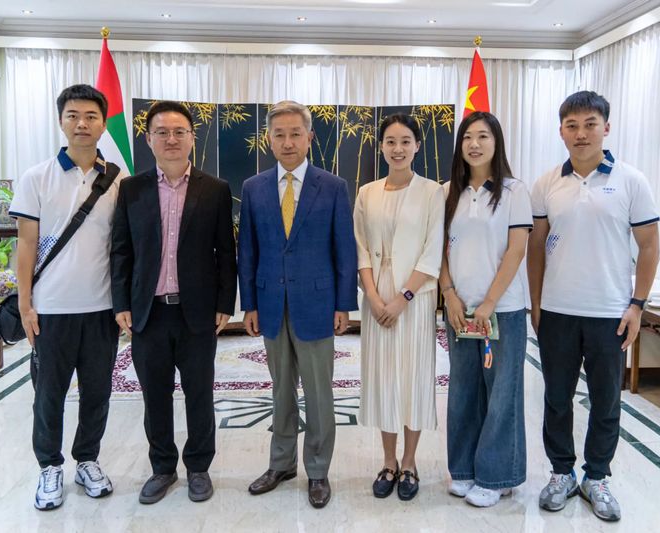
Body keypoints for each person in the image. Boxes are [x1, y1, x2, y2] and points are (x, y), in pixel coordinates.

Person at [527, 91, 660, 522]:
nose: (581, 133)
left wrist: (637, 305)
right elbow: (535, 248)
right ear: (561, 131)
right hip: (557, 311)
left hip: (610, 313)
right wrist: (535, 303)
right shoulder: (547, 183)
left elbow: (649, 246)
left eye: (589, 124)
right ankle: (561, 473)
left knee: (606, 401)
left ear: (606, 127)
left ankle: (597, 476)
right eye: (572, 125)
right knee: (557, 398)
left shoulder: (632, 181)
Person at [110, 100, 237, 504]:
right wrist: (121, 302)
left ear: (192, 139)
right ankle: (162, 467)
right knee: (155, 396)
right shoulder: (131, 189)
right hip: (148, 313)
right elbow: (121, 250)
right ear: (148, 140)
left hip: (196, 312)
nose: (171, 139)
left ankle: (198, 467)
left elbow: (226, 251)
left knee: (200, 393)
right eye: (162, 132)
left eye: (179, 132)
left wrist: (225, 302)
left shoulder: (214, 189)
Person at [237, 100, 357, 509]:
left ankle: (318, 470)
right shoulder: (254, 188)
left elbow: (344, 249)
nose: (287, 142)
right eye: (279, 135)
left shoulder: (333, 186)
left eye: (295, 134)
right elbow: (248, 251)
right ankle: (281, 464)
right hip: (271, 303)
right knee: (281, 390)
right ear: (268, 140)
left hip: (318, 304)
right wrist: (250, 304)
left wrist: (344, 304)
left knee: (319, 394)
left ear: (309, 137)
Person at [10, 84, 124, 510]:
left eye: (91, 116)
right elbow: (26, 245)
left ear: (103, 124)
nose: (82, 124)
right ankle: (49, 466)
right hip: (51, 310)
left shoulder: (118, 179)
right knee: (49, 394)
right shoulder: (37, 177)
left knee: (97, 392)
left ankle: (87, 460)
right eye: (73, 115)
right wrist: (25, 304)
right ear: (61, 121)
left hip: (101, 308)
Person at [438, 111, 532, 508]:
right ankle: (463, 469)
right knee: (463, 390)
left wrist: (489, 302)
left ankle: (496, 476)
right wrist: (449, 294)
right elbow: (439, 250)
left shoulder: (514, 191)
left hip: (502, 311)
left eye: (483, 136)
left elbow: (516, 250)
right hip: (459, 311)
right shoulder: (447, 192)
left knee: (501, 394)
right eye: (467, 137)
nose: (474, 144)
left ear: (497, 143)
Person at [354, 113, 444, 501]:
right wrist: (375, 299)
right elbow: (360, 249)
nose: (398, 148)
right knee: (384, 380)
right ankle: (388, 461)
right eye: (390, 141)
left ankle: (409, 462)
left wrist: (402, 299)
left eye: (405, 141)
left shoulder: (432, 192)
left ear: (417, 146)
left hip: (414, 299)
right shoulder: (367, 192)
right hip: (376, 299)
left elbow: (432, 251)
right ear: (381, 147)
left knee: (413, 379)